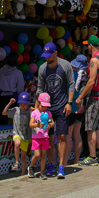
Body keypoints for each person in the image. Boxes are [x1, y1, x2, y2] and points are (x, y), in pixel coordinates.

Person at [37, 42, 75, 179]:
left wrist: (69, 103)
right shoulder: (42, 68)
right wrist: (39, 105)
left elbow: (71, 84)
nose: (47, 59)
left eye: (49, 56)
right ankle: (51, 164)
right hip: (48, 107)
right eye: (45, 57)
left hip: (61, 105)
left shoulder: (65, 65)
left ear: (55, 53)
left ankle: (61, 166)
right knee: (49, 138)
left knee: (62, 136)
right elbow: (40, 87)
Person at [76, 35, 99, 166]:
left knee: (89, 128)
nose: (86, 47)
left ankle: (92, 156)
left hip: (96, 96)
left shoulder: (94, 60)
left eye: (87, 45)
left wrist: (80, 97)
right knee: (94, 125)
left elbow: (91, 81)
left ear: (90, 46)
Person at [2, 91, 32, 175]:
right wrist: (9, 103)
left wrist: (34, 112)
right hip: (17, 133)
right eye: (21, 104)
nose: (23, 106)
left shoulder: (30, 111)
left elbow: (36, 120)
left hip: (26, 136)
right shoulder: (16, 110)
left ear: (28, 103)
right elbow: (4, 113)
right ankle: (16, 162)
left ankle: (23, 172)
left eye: (25, 104)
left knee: (23, 156)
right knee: (17, 144)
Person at [65, 55, 86, 166]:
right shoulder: (85, 75)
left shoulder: (72, 75)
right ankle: (76, 159)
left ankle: (64, 162)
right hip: (81, 106)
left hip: (72, 106)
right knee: (77, 135)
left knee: (68, 136)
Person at [28, 92, 54, 179]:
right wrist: (37, 125)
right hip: (36, 138)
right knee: (37, 155)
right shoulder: (35, 113)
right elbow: (31, 124)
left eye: (46, 106)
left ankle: (42, 172)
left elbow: (52, 122)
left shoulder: (48, 113)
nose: (44, 108)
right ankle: (31, 167)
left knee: (43, 155)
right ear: (38, 103)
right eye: (43, 106)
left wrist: (50, 125)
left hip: (45, 137)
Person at [0, 52, 25, 125]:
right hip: (12, 99)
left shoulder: (1, 70)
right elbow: (20, 89)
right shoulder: (18, 73)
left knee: (2, 121)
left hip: (1, 98)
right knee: (16, 122)